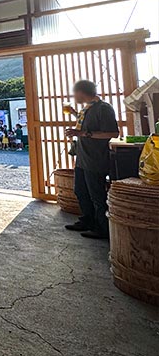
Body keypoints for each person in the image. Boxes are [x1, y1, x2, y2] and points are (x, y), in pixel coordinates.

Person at [64, 80, 119, 240]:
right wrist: (74, 113)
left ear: (81, 92)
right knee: (80, 191)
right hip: (82, 157)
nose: (74, 96)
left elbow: (113, 133)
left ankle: (102, 229)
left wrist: (81, 134)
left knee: (97, 195)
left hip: (95, 159)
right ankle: (87, 221)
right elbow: (86, 125)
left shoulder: (104, 108)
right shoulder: (87, 108)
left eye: (75, 93)